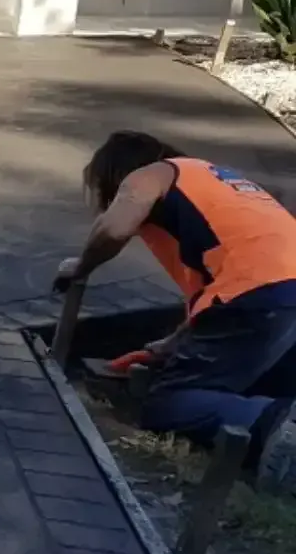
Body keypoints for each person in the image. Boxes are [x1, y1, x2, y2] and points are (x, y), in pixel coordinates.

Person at [56, 130, 296, 490]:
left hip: (258, 293)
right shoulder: (220, 181)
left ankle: (273, 425)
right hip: (280, 294)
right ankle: (281, 417)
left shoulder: (154, 174)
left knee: (166, 402)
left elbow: (115, 226)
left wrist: (81, 266)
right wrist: (168, 347)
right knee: (252, 382)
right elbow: (210, 309)